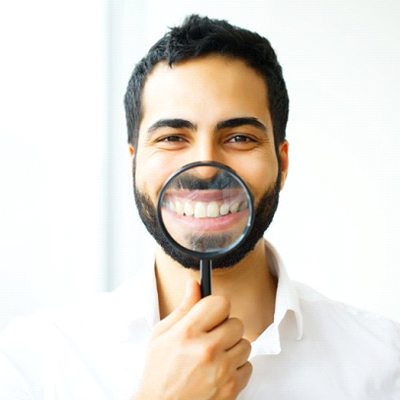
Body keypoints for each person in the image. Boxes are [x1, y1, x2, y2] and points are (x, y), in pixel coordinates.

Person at [0, 14, 399, 400]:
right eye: (173, 137)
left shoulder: (385, 363)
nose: (206, 169)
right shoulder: (35, 364)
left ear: (284, 163)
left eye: (240, 138)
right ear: (134, 162)